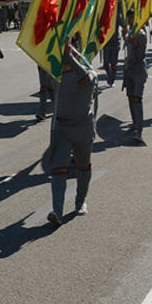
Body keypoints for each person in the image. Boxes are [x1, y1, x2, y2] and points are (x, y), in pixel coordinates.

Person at [45, 36, 97, 226]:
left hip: (82, 126)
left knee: (83, 166)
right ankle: (57, 210)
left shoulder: (89, 72)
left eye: (70, 50)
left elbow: (85, 79)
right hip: (61, 128)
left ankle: (81, 200)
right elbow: (51, 94)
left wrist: (71, 59)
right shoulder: (55, 75)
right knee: (58, 169)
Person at [122, 11, 148, 142]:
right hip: (129, 69)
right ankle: (134, 123)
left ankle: (139, 129)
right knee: (130, 98)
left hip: (138, 71)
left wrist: (134, 43)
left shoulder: (141, 34)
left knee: (137, 99)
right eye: (129, 17)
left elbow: (141, 55)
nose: (130, 20)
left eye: (132, 17)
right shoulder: (129, 32)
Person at [101, 18, 121, 86]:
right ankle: (110, 76)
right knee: (105, 64)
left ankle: (112, 79)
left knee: (113, 64)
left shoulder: (117, 16)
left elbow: (123, 22)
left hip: (115, 42)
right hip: (106, 42)